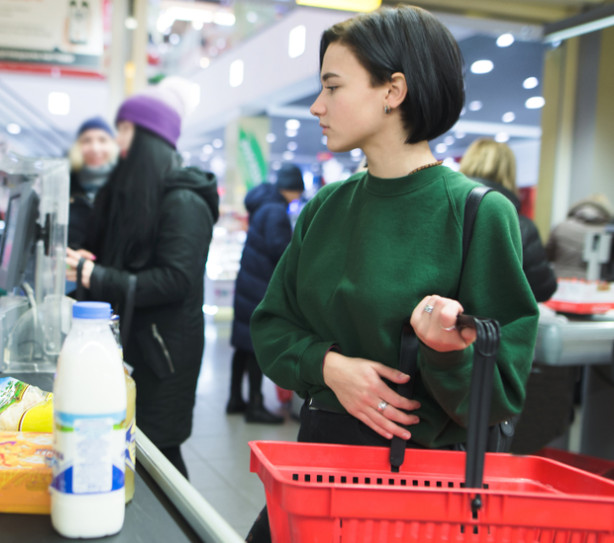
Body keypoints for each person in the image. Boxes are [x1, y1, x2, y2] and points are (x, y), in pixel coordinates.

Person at [246, 7, 538, 540]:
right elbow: (270, 327)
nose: (317, 105)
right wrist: (330, 366)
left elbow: (500, 393)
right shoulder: (325, 208)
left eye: (333, 86)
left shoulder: (477, 213)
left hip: (417, 497)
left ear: (393, 91)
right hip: (316, 473)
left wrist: (446, 350)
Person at [64, 80, 219, 479]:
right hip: (139, 349)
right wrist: (95, 264)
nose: (117, 141)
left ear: (149, 137)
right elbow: (134, 264)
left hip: (164, 358)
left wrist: (96, 275)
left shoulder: (184, 200)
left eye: (125, 129)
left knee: (161, 456)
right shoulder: (144, 197)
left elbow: (174, 280)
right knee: (139, 449)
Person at [227, 164, 304, 424]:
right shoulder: (276, 210)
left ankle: (235, 399)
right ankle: (255, 405)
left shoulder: (264, 205)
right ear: (292, 188)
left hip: (249, 282)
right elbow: (280, 250)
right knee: (254, 347)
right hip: (260, 286)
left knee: (242, 346)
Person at [459, 138, 557, 301]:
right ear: (509, 173)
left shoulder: (444, 212)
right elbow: (542, 288)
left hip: (440, 314)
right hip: (494, 316)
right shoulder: (521, 226)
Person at [68, 116, 118, 250]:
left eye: (102, 140)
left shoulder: (125, 184)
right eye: (87, 140)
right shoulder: (65, 185)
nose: (95, 148)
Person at [545, 194, 613, 279]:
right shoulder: (607, 232)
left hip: (560, 280)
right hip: (594, 283)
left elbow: (547, 256)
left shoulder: (562, 226)